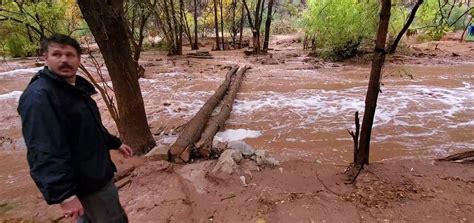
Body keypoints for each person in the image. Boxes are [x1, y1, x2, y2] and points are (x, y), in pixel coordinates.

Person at [18, 34, 133, 222]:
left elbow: (89, 127)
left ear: (78, 60)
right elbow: (43, 150)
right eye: (57, 54)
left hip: (92, 177)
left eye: (70, 55)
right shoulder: (40, 97)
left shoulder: (73, 88)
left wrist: (115, 143)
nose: (64, 60)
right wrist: (65, 195)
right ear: (45, 58)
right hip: (86, 185)